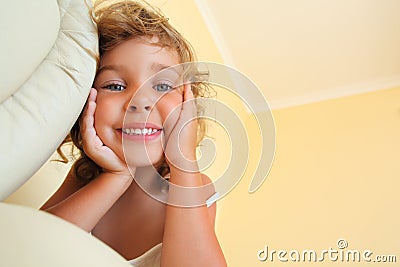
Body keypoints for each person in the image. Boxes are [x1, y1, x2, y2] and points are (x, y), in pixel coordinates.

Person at [40, 0, 227, 266]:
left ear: (188, 106)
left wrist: (184, 162)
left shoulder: (193, 187)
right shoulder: (83, 178)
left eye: (162, 85)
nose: (139, 101)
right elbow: (25, 247)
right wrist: (116, 176)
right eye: (115, 86)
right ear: (85, 106)